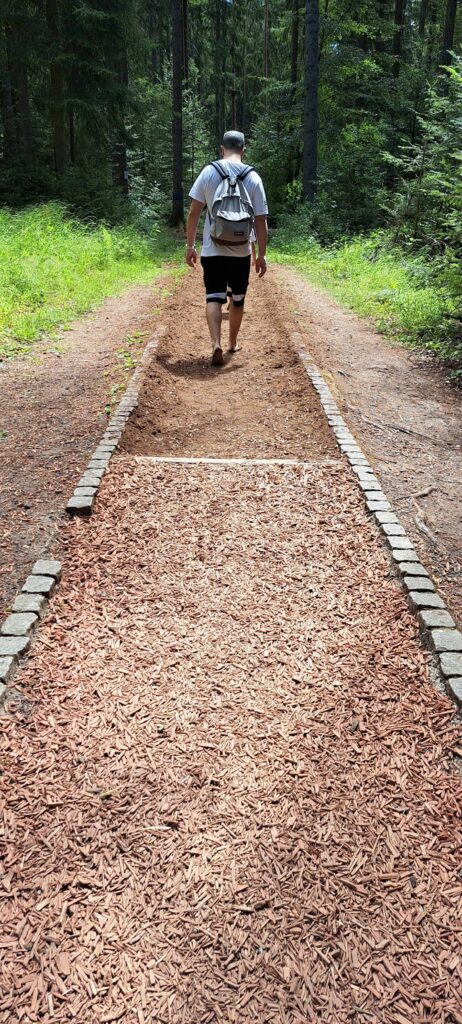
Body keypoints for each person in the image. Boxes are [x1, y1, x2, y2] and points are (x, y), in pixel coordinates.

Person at [185, 130, 268, 366]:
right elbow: (261, 221)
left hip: (212, 250)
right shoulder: (253, 177)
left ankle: (215, 343)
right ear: (243, 150)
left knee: (214, 297)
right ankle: (232, 343)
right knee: (238, 299)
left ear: (222, 149)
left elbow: (193, 213)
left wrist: (190, 246)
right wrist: (261, 255)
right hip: (241, 252)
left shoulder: (209, 171)